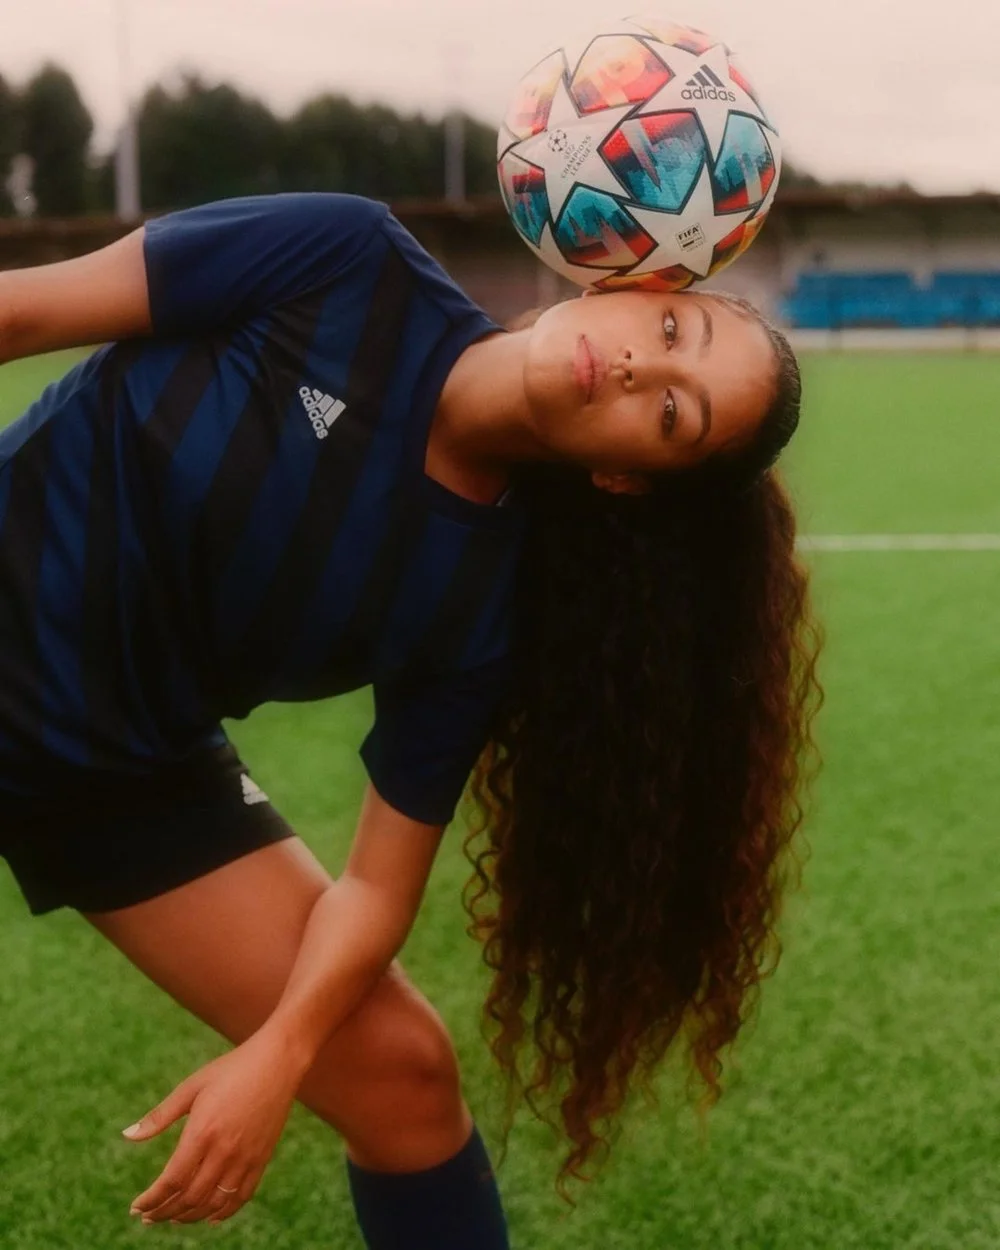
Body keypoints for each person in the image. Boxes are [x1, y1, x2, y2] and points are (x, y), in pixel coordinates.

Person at [0, 192, 821, 1249]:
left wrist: (282, 1049)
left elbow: (380, 882)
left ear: (625, 475)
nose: (637, 370)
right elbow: (18, 312)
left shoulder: (487, 606)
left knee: (403, 1075)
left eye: (671, 412)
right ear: (625, 287)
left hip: (121, 766)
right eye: (670, 332)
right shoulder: (345, 260)